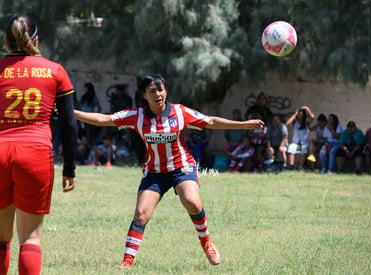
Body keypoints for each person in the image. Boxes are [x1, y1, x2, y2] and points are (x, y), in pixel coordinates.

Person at [74, 73, 264, 269]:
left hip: (182, 168)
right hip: (155, 172)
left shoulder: (180, 112)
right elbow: (103, 119)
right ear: (144, 95)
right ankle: (126, 264)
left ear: (166, 91)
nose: (158, 94)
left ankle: (207, 243)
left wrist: (244, 125)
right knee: (140, 214)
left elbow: (210, 122)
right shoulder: (137, 116)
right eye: (152, 91)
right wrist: (71, 113)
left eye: (161, 90)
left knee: (191, 201)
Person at [0, 14, 77, 275]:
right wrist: (70, 167)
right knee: (30, 239)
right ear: (36, 39)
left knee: (1, 239)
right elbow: (69, 124)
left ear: (5, 41)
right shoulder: (55, 71)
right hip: (34, 155)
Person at [79, 82, 102, 147]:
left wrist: (95, 115)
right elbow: (80, 107)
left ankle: (88, 143)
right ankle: (84, 142)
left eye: (85, 88)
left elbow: (99, 108)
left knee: (88, 130)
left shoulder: (93, 97)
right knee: (83, 130)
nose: (84, 89)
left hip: (90, 116)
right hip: (82, 116)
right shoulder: (83, 97)